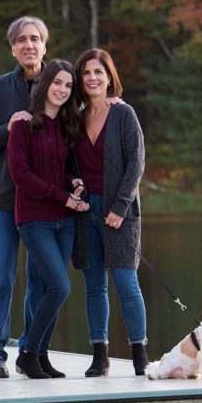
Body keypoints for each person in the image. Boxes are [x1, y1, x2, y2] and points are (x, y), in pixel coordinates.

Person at [0, 16, 49, 379]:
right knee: (1, 276)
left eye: (35, 39)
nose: (29, 45)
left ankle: (31, 349)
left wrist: (112, 99)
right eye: (21, 40)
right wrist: (8, 127)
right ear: (13, 48)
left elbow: (86, 118)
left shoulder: (61, 85)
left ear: (45, 44)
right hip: (4, 200)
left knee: (40, 277)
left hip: (45, 203)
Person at [6, 60, 89, 380]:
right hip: (35, 219)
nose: (63, 90)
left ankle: (40, 355)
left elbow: (63, 171)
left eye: (69, 86)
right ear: (45, 85)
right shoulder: (24, 125)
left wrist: (73, 184)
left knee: (44, 288)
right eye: (58, 83)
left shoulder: (67, 127)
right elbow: (21, 175)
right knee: (59, 286)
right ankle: (27, 353)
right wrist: (62, 196)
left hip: (65, 221)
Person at [72, 48, 150, 377]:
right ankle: (99, 356)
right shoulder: (73, 115)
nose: (92, 78)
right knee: (94, 285)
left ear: (109, 78)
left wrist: (119, 207)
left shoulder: (123, 114)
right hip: (85, 209)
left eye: (98, 72)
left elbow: (136, 162)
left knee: (126, 282)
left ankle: (139, 354)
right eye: (87, 73)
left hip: (120, 209)